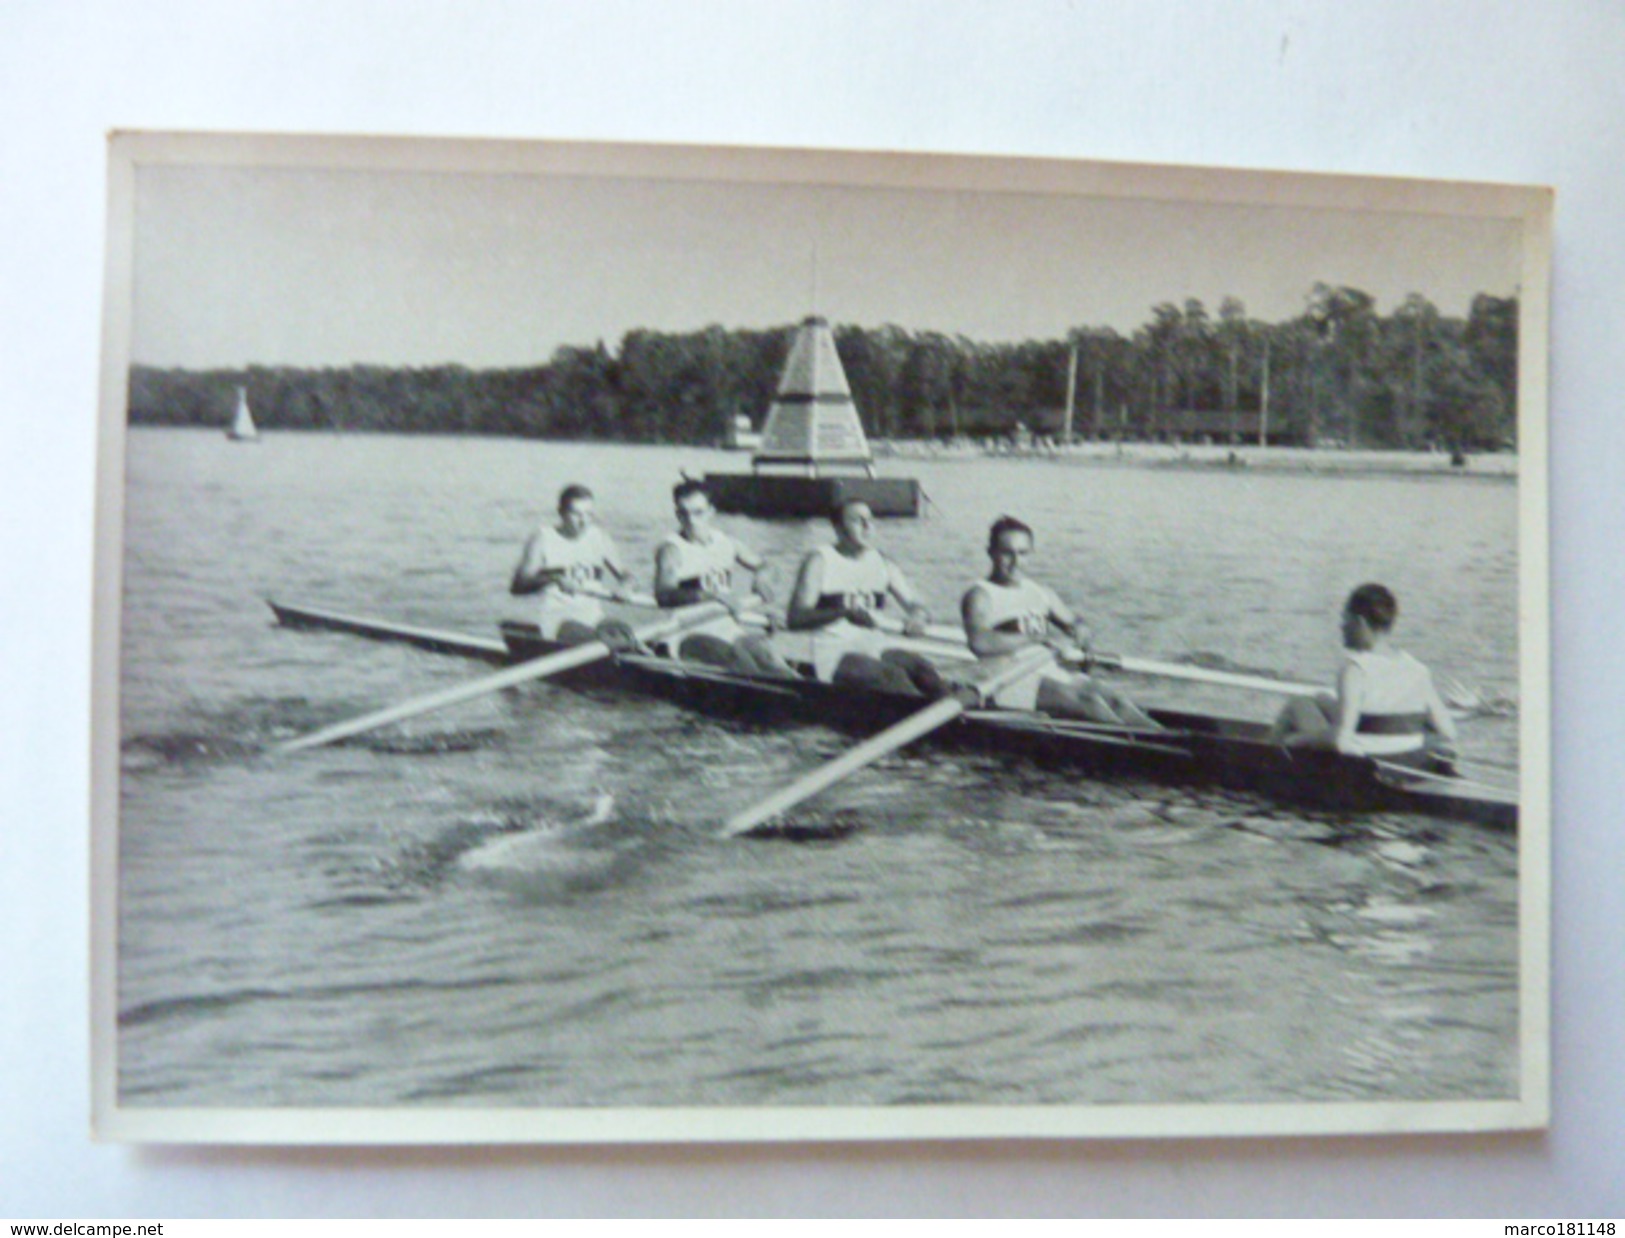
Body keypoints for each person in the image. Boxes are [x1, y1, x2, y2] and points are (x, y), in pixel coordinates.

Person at [960, 515, 1158, 727]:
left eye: (1023, 553)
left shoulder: (1042, 593)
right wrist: (1038, 639)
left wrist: (1080, 630)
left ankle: (1168, 742)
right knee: (1090, 703)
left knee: (1118, 702)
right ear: (991, 553)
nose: (1016, 561)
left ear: (1031, 554)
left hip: (1048, 674)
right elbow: (979, 643)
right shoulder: (980, 596)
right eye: (1007, 553)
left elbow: (1076, 623)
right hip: (1003, 681)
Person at [1271, 582, 1458, 762]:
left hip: (1366, 765)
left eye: (1344, 619)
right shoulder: (1418, 669)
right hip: (1408, 758)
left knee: (1297, 705)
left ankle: (1269, 760)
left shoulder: (1355, 669)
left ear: (1359, 622)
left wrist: (1297, 740)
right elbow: (1448, 732)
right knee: (1319, 698)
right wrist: (1408, 734)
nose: (1341, 627)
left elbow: (1342, 742)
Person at [785, 497, 946, 696]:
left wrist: (918, 616)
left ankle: (957, 717)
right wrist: (843, 613)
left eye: (869, 520)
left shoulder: (882, 562)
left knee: (923, 669)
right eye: (857, 520)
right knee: (892, 676)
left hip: (873, 646)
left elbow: (915, 603)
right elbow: (796, 618)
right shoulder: (819, 561)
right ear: (837, 527)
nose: (867, 526)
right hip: (832, 652)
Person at [653, 480, 796, 677]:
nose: (691, 520)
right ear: (677, 514)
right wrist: (712, 596)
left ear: (712, 512)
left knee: (769, 657)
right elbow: (664, 595)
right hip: (689, 633)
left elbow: (767, 565)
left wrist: (762, 578)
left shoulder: (727, 543)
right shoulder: (671, 550)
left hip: (727, 628)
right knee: (741, 664)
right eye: (683, 513)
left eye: (698, 513)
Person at [509, 483, 636, 645]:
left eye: (588, 514)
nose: (583, 521)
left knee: (626, 633)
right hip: (558, 623)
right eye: (576, 514)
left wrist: (626, 585)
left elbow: (626, 574)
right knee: (607, 642)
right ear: (561, 513)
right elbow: (518, 585)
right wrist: (554, 579)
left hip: (594, 619)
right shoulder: (543, 538)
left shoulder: (599, 537)